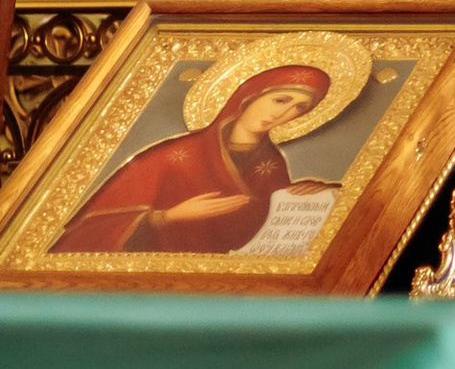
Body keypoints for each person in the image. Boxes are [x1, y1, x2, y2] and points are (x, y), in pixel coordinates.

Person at [60, 58, 349, 256]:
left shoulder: (271, 164)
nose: (284, 114)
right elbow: (86, 233)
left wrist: (310, 198)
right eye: (281, 100)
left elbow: (268, 226)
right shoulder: (173, 156)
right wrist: (166, 217)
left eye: (299, 109)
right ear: (250, 96)